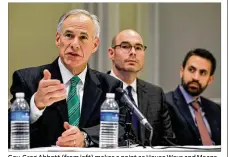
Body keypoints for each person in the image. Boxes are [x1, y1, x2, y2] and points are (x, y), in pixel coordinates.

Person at [9, 9, 124, 148]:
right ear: (58, 39)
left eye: (83, 37)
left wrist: (85, 137)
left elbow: (122, 127)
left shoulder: (110, 85)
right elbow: (6, 132)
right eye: (69, 35)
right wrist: (36, 105)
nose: (75, 44)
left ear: (95, 45)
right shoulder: (27, 79)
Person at [107, 29, 175, 146]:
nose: (133, 52)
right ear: (111, 53)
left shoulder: (156, 94)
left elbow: (168, 142)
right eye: (125, 46)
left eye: (138, 48)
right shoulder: (98, 89)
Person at [165, 48, 221, 145]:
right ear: (181, 71)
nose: (196, 77)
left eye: (203, 73)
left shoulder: (216, 109)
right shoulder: (165, 103)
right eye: (191, 70)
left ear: (210, 79)